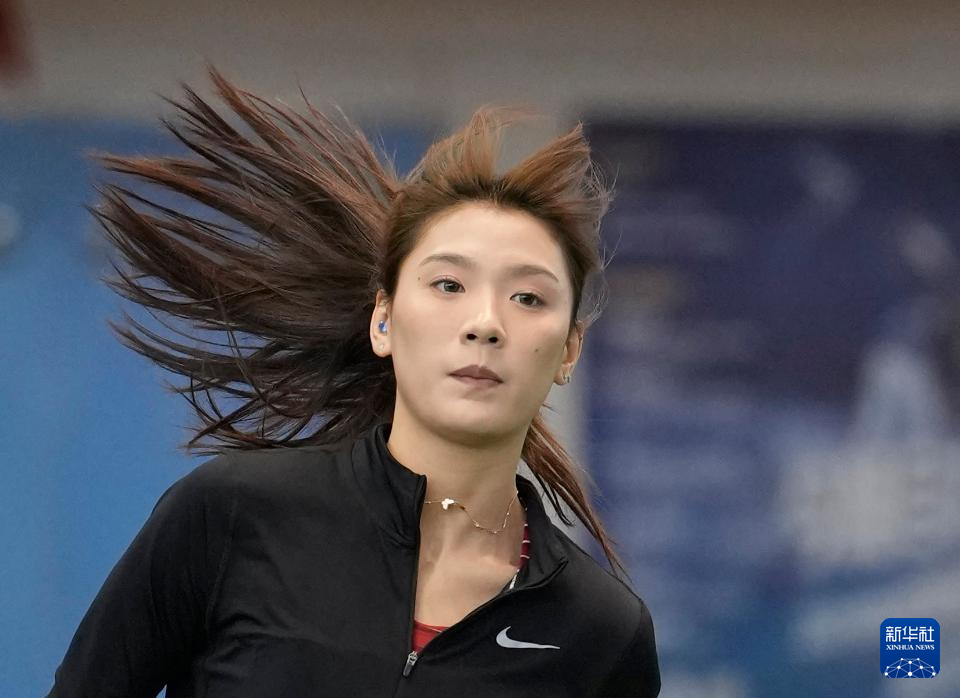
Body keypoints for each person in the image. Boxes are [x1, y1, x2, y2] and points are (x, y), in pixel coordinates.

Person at [47, 68, 661, 697]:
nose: (486, 323)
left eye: (528, 297)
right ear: (383, 320)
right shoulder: (232, 517)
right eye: (448, 284)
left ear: (569, 349)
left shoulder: (602, 632)